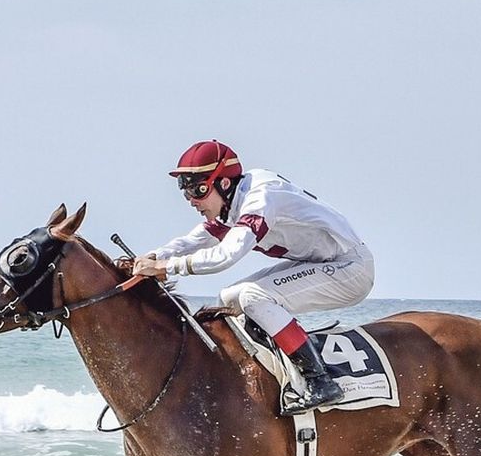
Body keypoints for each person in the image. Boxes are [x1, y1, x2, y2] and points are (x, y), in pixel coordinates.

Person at [130, 140, 373, 413]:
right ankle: (275, 370)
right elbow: (196, 238)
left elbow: (225, 256)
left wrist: (166, 267)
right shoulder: (234, 200)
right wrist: (153, 255)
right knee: (229, 298)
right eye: (186, 191)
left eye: (197, 190)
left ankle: (320, 382)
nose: (191, 201)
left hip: (349, 268)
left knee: (252, 296)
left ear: (223, 183)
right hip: (319, 262)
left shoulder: (260, 198)